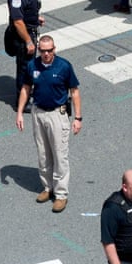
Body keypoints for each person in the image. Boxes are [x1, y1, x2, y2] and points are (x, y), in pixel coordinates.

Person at [15, 34, 81, 212]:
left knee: (60, 155)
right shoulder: (32, 66)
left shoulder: (64, 67)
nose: (46, 54)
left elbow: (74, 92)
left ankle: (61, 195)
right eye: (43, 51)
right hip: (38, 113)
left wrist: (77, 118)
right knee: (43, 153)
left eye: (49, 50)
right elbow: (26, 88)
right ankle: (47, 187)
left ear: (54, 49)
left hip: (57, 115)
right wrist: (20, 113)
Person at [6, 0, 44, 91]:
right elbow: (18, 21)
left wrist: (35, 17)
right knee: (25, 68)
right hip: (23, 36)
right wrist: (28, 41)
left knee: (29, 66)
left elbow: (25, 11)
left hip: (29, 30)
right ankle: (23, 100)